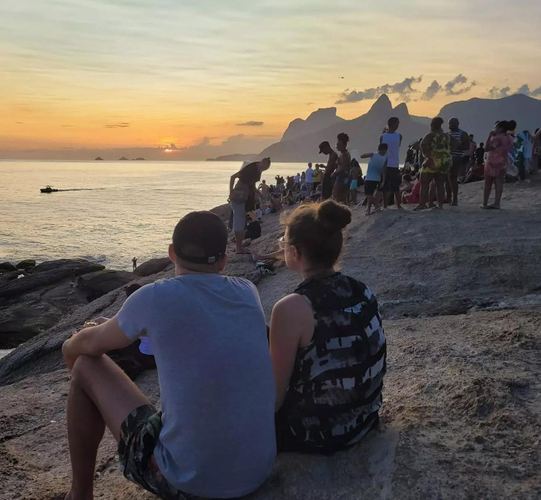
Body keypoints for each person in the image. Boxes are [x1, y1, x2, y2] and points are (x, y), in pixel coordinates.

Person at [61, 211, 276, 500]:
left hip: (189, 483)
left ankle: (79, 495)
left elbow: (91, 345)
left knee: (85, 366)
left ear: (172, 253)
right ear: (224, 260)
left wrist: (69, 348)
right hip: (256, 471)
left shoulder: (153, 297)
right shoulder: (248, 291)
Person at [270, 201, 386, 454]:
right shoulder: (361, 289)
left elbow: (275, 399)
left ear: (295, 253)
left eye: (284, 243)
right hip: (364, 418)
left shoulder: (292, 308)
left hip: (318, 434)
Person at [229, 157, 271, 254]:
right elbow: (233, 177)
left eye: (265, 169)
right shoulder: (250, 168)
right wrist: (231, 192)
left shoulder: (257, 170)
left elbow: (251, 185)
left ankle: (239, 246)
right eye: (263, 167)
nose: (262, 170)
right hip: (239, 197)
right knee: (239, 221)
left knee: (242, 222)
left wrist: (259, 194)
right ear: (261, 162)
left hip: (246, 199)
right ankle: (239, 248)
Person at [415, 117, 451, 211]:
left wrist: (427, 156)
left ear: (432, 125)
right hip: (444, 161)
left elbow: (423, 144)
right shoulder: (446, 136)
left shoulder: (430, 134)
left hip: (433, 160)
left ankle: (422, 204)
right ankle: (440, 205)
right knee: (440, 184)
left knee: (424, 183)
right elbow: (454, 145)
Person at [482, 120, 515, 209]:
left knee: (488, 183)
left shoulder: (497, 138)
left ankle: (485, 203)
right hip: (503, 161)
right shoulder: (509, 138)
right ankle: (497, 203)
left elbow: (486, 148)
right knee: (499, 183)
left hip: (492, 161)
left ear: (500, 128)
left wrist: (489, 136)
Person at [380, 117, 404, 210]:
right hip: (394, 163)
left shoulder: (382, 136)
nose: (398, 125)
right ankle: (398, 205)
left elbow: (380, 149)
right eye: (397, 123)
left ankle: (385, 205)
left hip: (384, 163)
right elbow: (398, 145)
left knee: (384, 186)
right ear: (394, 124)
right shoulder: (399, 136)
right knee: (395, 186)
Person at [446, 118, 470, 206]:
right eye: (449, 124)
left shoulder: (463, 134)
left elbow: (467, 146)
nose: (450, 125)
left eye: (452, 123)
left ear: (457, 123)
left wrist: (456, 146)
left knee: (452, 177)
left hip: (457, 157)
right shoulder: (447, 134)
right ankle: (448, 197)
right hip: (447, 157)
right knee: (446, 178)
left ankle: (454, 198)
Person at [361, 143, 389, 215]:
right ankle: (368, 209)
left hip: (370, 178)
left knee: (368, 194)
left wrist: (370, 154)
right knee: (371, 194)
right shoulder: (385, 158)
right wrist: (383, 180)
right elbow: (384, 170)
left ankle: (376, 206)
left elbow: (362, 156)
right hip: (377, 179)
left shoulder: (373, 155)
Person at [332, 133, 352, 204]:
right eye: (337, 144)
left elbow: (343, 168)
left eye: (339, 144)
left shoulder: (345, 154)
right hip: (343, 177)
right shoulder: (343, 154)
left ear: (344, 145)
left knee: (336, 194)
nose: (337, 146)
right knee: (341, 195)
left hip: (342, 177)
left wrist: (334, 173)